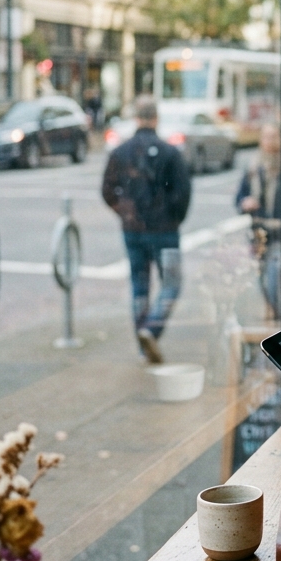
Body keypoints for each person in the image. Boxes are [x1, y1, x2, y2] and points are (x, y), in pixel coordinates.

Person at [102, 96, 192, 363]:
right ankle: (152, 328)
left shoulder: (120, 152)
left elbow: (108, 190)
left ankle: (143, 341)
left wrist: (124, 212)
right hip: (165, 230)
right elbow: (183, 192)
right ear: (156, 118)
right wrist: (174, 217)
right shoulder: (170, 152)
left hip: (133, 231)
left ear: (136, 118)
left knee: (139, 285)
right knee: (172, 283)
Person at [235, 123, 281, 315]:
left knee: (273, 280)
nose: (269, 141)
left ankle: (279, 318)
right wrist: (244, 202)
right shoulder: (254, 165)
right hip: (259, 232)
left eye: (274, 136)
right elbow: (240, 195)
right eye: (266, 136)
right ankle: (274, 316)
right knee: (262, 278)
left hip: (280, 232)